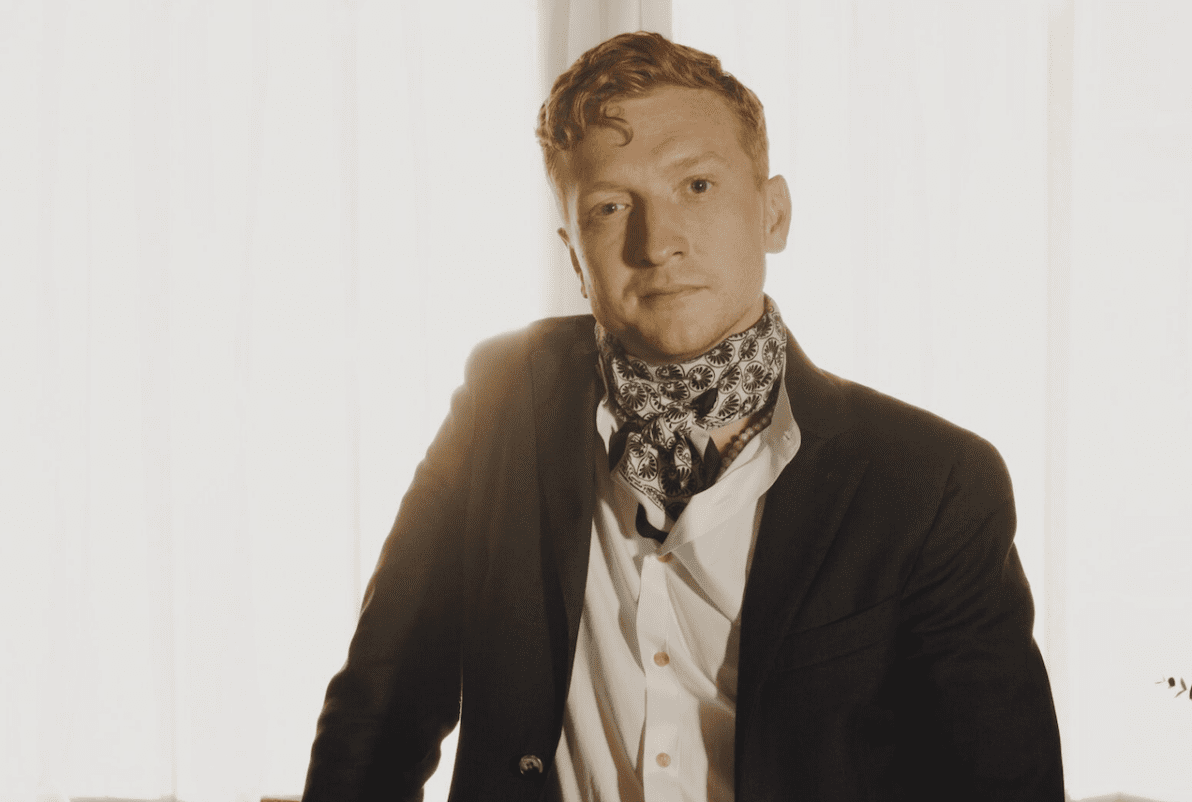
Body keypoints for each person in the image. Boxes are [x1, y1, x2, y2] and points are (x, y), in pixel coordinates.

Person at [303, 31, 1063, 802]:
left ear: (773, 215)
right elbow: (379, 711)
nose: (657, 243)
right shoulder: (504, 401)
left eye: (696, 186)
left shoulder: (930, 482)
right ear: (575, 256)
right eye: (609, 207)